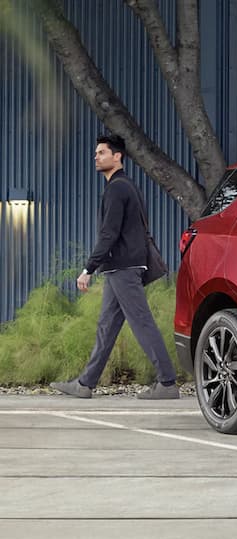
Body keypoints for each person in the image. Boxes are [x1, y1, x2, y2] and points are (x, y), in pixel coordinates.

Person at [50, 134, 179, 399]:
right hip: (119, 268)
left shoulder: (118, 188)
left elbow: (109, 234)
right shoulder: (123, 186)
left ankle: (167, 383)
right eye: (96, 153)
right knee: (107, 326)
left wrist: (88, 269)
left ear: (117, 156)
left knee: (142, 322)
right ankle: (85, 384)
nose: (96, 157)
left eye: (101, 153)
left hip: (123, 267)